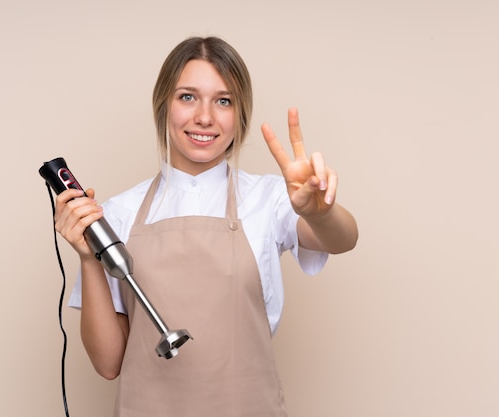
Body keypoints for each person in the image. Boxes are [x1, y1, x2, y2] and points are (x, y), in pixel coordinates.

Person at [54, 36, 358, 417]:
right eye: (187, 97)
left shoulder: (269, 197)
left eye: (223, 100)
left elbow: (343, 239)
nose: (204, 117)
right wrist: (87, 257)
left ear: (240, 114)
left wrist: (320, 211)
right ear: (163, 104)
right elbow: (108, 363)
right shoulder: (118, 213)